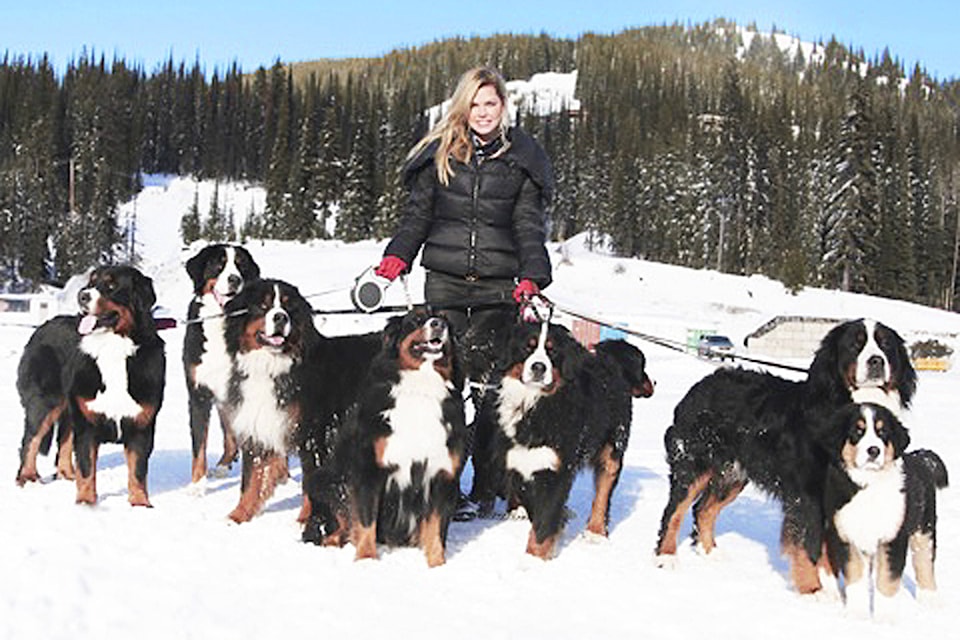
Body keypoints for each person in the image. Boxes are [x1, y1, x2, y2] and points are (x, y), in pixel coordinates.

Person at [374, 65, 554, 519]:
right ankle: (442, 486)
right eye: (475, 103)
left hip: (498, 293)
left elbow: (528, 225)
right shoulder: (439, 154)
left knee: (492, 397)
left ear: (503, 107)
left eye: (490, 103)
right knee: (443, 393)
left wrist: (533, 275)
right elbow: (417, 217)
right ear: (463, 106)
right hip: (445, 287)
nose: (483, 112)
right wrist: (396, 257)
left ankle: (485, 487)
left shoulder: (522, 158)